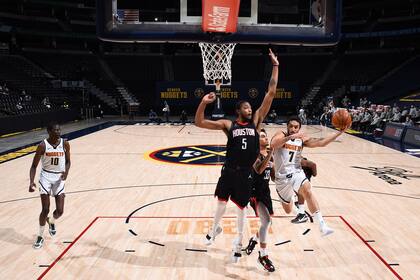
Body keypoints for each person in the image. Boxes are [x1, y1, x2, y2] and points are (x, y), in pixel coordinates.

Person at [195, 49, 279, 263]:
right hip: (228, 171)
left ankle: (238, 245)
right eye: (246, 107)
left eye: (250, 107)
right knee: (221, 205)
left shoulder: (256, 122)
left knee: (241, 209)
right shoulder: (228, 125)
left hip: (245, 175)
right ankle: (215, 230)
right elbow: (200, 122)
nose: (250, 109)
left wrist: (275, 66)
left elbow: (270, 93)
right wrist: (204, 103)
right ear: (238, 110)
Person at [270, 116, 350, 236]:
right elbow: (273, 144)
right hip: (282, 178)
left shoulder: (301, 140)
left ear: (299, 128)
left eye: (296, 127)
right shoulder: (281, 134)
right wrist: (290, 137)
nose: (293, 129)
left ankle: (322, 225)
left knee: (307, 190)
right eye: (291, 126)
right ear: (287, 126)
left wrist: (340, 132)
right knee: (288, 210)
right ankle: (292, 199)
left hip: (296, 172)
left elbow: (321, 143)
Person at [29, 122, 71, 249]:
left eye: (59, 129)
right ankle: (40, 236)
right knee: (45, 209)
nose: (58, 132)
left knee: (60, 211)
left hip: (59, 177)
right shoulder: (42, 145)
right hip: (46, 177)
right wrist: (31, 182)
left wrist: (66, 172)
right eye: (55, 130)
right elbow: (33, 166)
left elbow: (68, 161)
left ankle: (51, 221)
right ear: (49, 131)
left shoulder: (65, 143)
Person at [245, 129, 276, 272]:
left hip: (266, 192)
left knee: (266, 222)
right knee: (267, 221)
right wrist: (270, 154)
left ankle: (254, 239)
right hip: (255, 193)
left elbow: (273, 177)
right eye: (262, 136)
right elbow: (259, 170)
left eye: (266, 136)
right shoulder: (253, 155)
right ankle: (263, 256)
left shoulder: (270, 155)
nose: (266, 138)